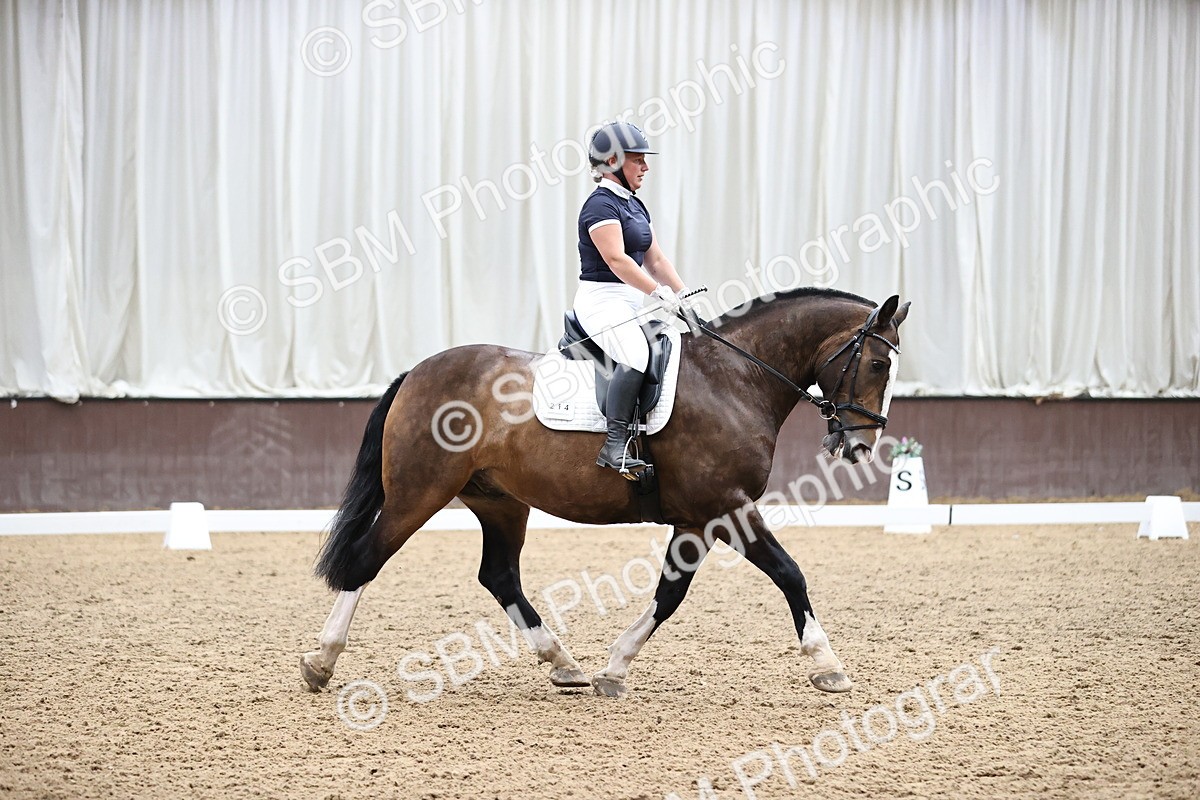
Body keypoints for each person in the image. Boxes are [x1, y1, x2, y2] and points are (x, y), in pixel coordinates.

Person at [573, 121, 693, 476]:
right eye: (638, 159)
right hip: (601, 300)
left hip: (629, 301)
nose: (646, 167)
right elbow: (617, 260)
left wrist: (683, 296)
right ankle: (614, 445)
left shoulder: (635, 206)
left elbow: (655, 260)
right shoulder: (599, 206)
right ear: (612, 162)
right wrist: (657, 293)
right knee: (637, 354)